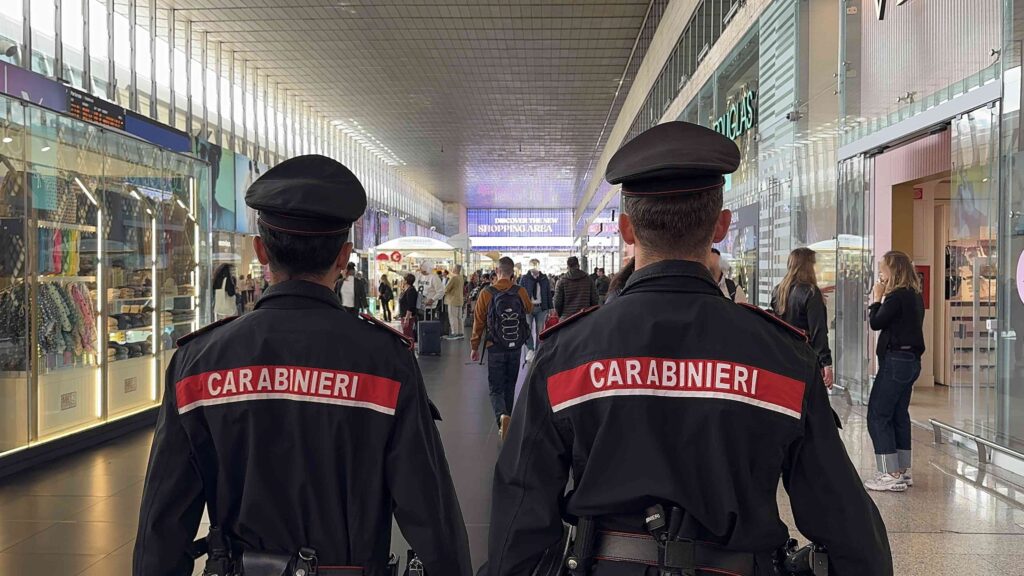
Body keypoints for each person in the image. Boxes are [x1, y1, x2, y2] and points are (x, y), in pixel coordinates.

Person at [484, 122, 891, 576]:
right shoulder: (782, 358)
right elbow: (847, 525)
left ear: (626, 230)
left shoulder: (567, 355)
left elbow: (520, 511)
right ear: (720, 225)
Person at [133, 155, 472, 576]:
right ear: (344, 256)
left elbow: (163, 522)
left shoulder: (199, 362)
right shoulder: (385, 362)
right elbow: (430, 511)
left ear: (261, 250)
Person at [865, 250, 926, 493]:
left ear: (894, 271)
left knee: (878, 415)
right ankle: (902, 469)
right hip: (911, 361)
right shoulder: (914, 296)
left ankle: (889, 473)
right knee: (899, 414)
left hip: (895, 361)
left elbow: (876, 322)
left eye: (883, 270)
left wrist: (876, 299)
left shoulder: (896, 297)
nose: (880, 275)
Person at [471, 256, 533, 442]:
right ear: (512, 273)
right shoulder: (520, 291)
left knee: (495, 387)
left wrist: (474, 346)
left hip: (494, 345)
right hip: (515, 346)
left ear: (496, 272)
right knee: (509, 385)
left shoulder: (486, 293)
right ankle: (508, 419)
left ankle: (501, 418)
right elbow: (529, 309)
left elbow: (479, 322)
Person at [771, 247, 834, 388]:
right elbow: (819, 331)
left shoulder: (778, 290)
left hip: (783, 355)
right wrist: (826, 363)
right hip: (805, 356)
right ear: (808, 266)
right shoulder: (811, 292)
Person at [519, 258, 552, 362]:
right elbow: (520, 293)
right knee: (527, 329)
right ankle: (530, 349)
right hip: (528, 308)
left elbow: (548, 293)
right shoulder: (524, 278)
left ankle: (538, 351)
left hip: (541, 308)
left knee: (540, 331)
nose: (534, 267)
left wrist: (550, 308)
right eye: (532, 265)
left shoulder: (544, 278)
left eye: (536, 265)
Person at [443, 264, 466, 339]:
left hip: (452, 300)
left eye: (453, 267)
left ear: (456, 269)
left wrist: (443, 292)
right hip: (459, 300)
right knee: (459, 317)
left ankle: (454, 333)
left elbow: (446, 289)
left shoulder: (453, 278)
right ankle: (460, 332)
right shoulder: (461, 277)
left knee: (453, 317)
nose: (452, 269)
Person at [399, 272, 419, 340]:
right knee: (406, 333)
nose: (402, 281)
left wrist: (407, 318)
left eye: (403, 279)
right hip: (404, 315)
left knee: (407, 334)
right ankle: (409, 349)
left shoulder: (411, 291)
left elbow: (410, 305)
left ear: (406, 281)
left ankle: (410, 349)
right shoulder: (407, 290)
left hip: (407, 316)